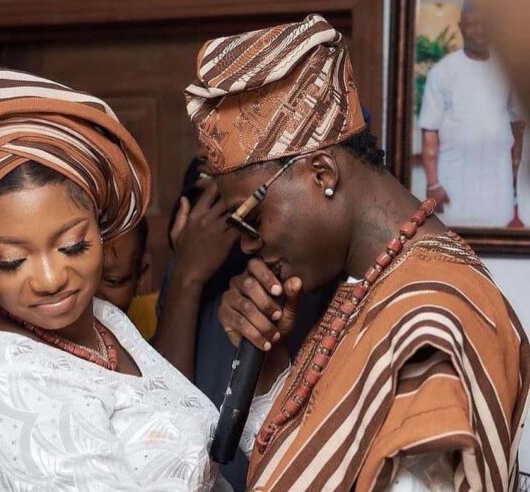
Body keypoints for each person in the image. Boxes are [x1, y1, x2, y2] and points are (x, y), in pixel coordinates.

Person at [184, 14, 530, 491]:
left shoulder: (430, 322)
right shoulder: (375, 287)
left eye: (253, 218)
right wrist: (269, 370)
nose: (247, 245)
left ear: (322, 174)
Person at [0, 68, 278, 491]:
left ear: (102, 230)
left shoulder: (104, 319)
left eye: (73, 246)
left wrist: (268, 355)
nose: (50, 280)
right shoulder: (9, 372)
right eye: (11, 261)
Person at [154, 158, 336, 490]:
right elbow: (165, 404)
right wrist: (186, 274)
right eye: (214, 203)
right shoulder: (186, 275)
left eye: (244, 209)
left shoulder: (299, 268)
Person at [419, 0, 525, 227]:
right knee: (455, 239)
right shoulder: (442, 72)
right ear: (461, 26)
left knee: (499, 236)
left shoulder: (505, 70)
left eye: (484, 25)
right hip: (454, 183)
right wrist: (433, 185)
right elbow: (430, 134)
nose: (478, 31)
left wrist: (516, 174)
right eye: (471, 25)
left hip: (498, 183)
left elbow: (518, 125)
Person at [96, 218, 159, 340]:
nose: (91, 293)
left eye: (112, 281)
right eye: (78, 275)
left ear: (140, 277)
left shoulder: (154, 319)